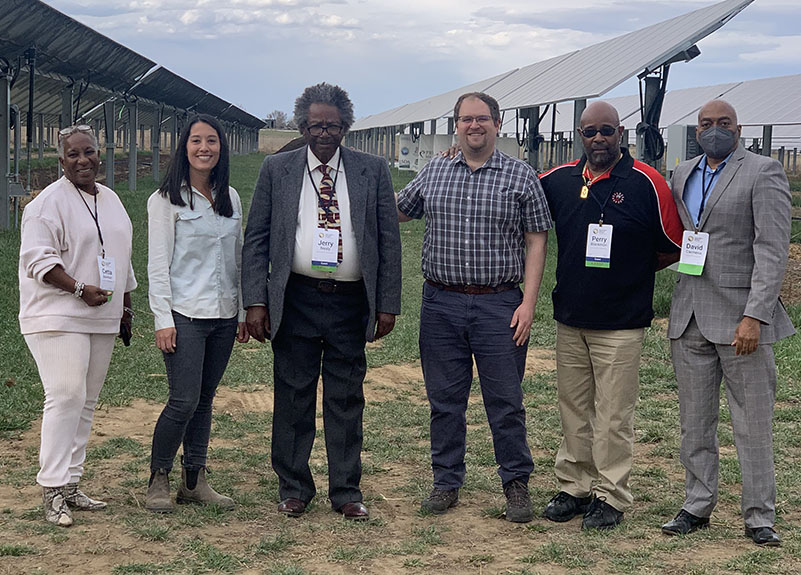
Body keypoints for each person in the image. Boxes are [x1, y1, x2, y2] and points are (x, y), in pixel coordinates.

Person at [242, 83, 402, 521]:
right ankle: (293, 487)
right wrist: (255, 300)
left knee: (346, 397)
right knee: (293, 395)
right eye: (315, 125)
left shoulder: (372, 169)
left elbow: (388, 239)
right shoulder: (279, 168)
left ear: (345, 127)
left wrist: (387, 302)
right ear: (303, 126)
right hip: (296, 298)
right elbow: (256, 239)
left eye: (332, 125)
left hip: (351, 302)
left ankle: (347, 490)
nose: (324, 133)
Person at [396, 92, 551, 523]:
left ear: (497, 124)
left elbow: (537, 238)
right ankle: (446, 482)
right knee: (445, 400)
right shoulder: (435, 170)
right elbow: (398, 211)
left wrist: (528, 303)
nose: (474, 126)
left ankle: (515, 484)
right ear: (456, 125)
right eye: (466, 120)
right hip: (440, 302)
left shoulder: (521, 177)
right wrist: (353, 194)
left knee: (505, 399)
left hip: (499, 303)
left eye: (482, 119)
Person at [538, 101, 683, 530]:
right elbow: (515, 187)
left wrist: (631, 273)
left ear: (621, 132)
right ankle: (575, 486)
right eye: (589, 132)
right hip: (571, 317)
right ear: (578, 136)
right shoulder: (559, 180)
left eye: (606, 130)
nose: (598, 138)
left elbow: (672, 244)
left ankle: (611, 494)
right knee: (573, 407)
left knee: (614, 413)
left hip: (621, 323)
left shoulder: (647, 183)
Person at [662, 100, 795, 546]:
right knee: (694, 422)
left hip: (742, 319)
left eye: (723, 124)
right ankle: (696, 504)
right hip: (690, 316)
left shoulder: (763, 171)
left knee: (752, 423)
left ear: (739, 129)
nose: (714, 130)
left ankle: (760, 516)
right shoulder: (682, 173)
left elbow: (772, 248)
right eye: (705, 124)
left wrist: (755, 315)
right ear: (695, 130)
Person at [18, 124, 137, 526]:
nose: (83, 160)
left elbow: (121, 254)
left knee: (86, 399)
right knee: (66, 394)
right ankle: (52, 489)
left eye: (89, 152)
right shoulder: (45, 205)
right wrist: (78, 288)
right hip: (57, 313)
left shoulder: (111, 199)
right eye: (73, 154)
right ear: (61, 160)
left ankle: (71, 482)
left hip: (101, 314)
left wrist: (126, 305)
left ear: (99, 154)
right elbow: (38, 261)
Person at [145, 114, 248, 513]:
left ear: (222, 148)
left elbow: (236, 261)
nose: (204, 148)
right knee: (183, 400)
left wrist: (240, 312)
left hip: (222, 315)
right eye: (196, 141)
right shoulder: (165, 200)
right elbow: (158, 264)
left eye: (212, 141)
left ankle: (195, 479)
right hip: (184, 314)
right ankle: (158, 477)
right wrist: (162, 319)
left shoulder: (230, 197)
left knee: (205, 399)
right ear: (183, 147)